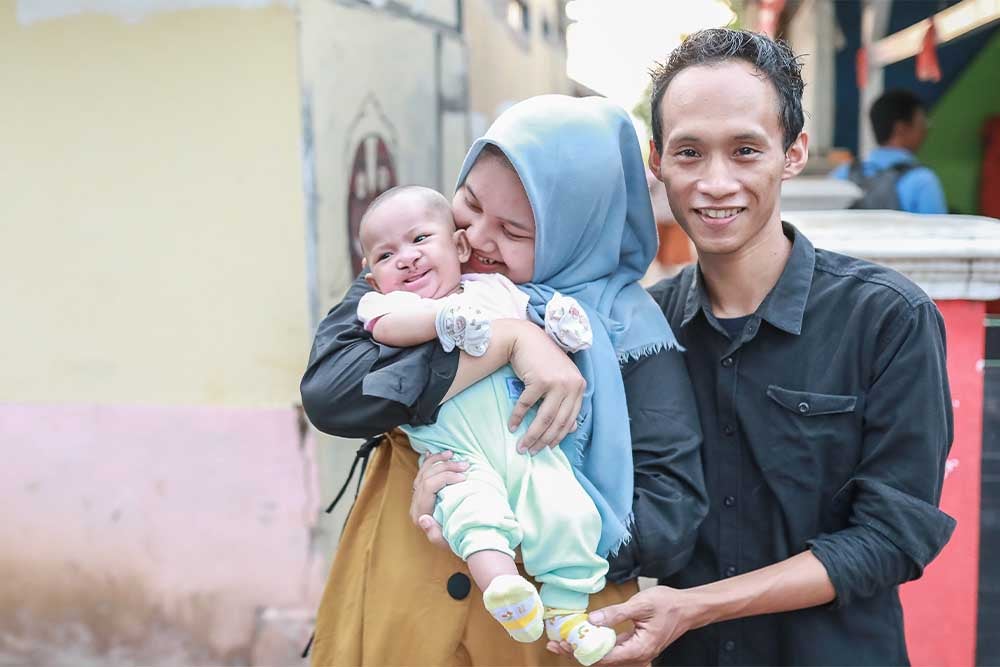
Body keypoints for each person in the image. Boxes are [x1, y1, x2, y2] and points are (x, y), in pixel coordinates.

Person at [544, 28, 956, 666]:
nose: (715, 182)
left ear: (792, 153)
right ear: (657, 161)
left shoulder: (888, 318)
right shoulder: (638, 331)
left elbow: (894, 537)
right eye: (689, 152)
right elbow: (595, 501)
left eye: (744, 150)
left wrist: (701, 605)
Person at [300, 94, 708, 666]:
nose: (477, 238)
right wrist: (511, 342)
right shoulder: (412, 268)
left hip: (545, 629)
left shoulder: (630, 332)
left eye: (515, 229)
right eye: (468, 204)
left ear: (576, 234)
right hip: (400, 602)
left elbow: (672, 511)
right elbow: (332, 395)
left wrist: (507, 536)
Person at [354, 183, 619, 665]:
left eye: (419, 240)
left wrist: (560, 328)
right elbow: (388, 330)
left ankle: (568, 614)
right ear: (372, 279)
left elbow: (538, 336)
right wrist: (442, 320)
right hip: (455, 455)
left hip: (526, 443)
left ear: (457, 246)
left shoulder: (495, 291)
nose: (407, 259)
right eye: (386, 254)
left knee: (569, 513)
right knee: (473, 513)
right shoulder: (389, 307)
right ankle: (504, 589)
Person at [831, 88, 948, 213]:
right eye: (922, 123)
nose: (925, 130)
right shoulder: (923, 181)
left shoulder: (843, 173)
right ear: (900, 129)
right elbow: (938, 231)